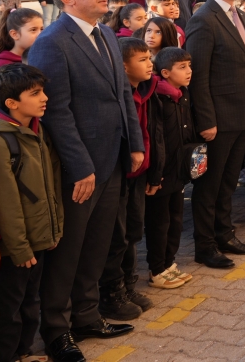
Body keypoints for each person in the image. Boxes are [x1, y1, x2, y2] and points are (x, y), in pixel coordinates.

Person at [28, 0, 144, 362]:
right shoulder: (52, 42)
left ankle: (87, 316)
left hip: (112, 159)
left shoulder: (106, 33)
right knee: (67, 253)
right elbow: (55, 112)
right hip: (79, 170)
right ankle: (57, 332)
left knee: (96, 246)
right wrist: (81, 167)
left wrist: (134, 143)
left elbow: (123, 94)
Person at [184, 0, 245, 268]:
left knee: (228, 183)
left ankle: (224, 234)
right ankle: (205, 247)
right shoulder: (203, 19)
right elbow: (198, 76)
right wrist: (206, 121)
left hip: (241, 115)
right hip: (216, 120)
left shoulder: (239, 15)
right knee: (209, 186)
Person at [0, 64, 63, 362]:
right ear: (12, 103)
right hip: (14, 246)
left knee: (30, 301)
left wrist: (55, 228)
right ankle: (6, 357)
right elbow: (4, 201)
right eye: (35, 93)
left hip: (38, 237)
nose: (45, 98)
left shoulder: (36, 129)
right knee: (10, 307)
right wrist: (19, 247)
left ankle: (23, 351)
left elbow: (51, 184)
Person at [97, 38, 157, 322]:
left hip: (139, 172)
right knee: (116, 236)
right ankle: (112, 294)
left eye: (149, 58)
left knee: (133, 231)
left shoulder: (146, 90)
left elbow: (151, 133)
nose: (150, 64)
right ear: (123, 66)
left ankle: (129, 286)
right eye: (142, 60)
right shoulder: (120, 97)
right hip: (119, 173)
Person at [144, 47, 195, 290]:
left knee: (175, 219)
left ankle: (169, 263)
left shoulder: (181, 94)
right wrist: (156, 174)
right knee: (159, 222)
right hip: (162, 172)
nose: (189, 71)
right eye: (182, 67)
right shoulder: (157, 98)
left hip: (178, 169)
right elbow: (155, 139)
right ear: (165, 73)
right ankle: (157, 269)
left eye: (189, 66)